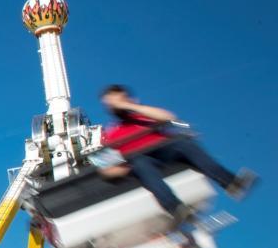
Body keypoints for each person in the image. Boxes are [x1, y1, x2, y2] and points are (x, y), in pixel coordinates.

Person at [93, 85, 257, 226]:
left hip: (166, 150)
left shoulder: (144, 116)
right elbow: (104, 169)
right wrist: (124, 170)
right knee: (140, 162)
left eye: (117, 99)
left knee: (183, 144)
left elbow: (169, 117)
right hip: (142, 159)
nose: (115, 104)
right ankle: (176, 208)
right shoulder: (111, 134)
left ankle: (231, 183)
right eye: (111, 102)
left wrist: (131, 107)